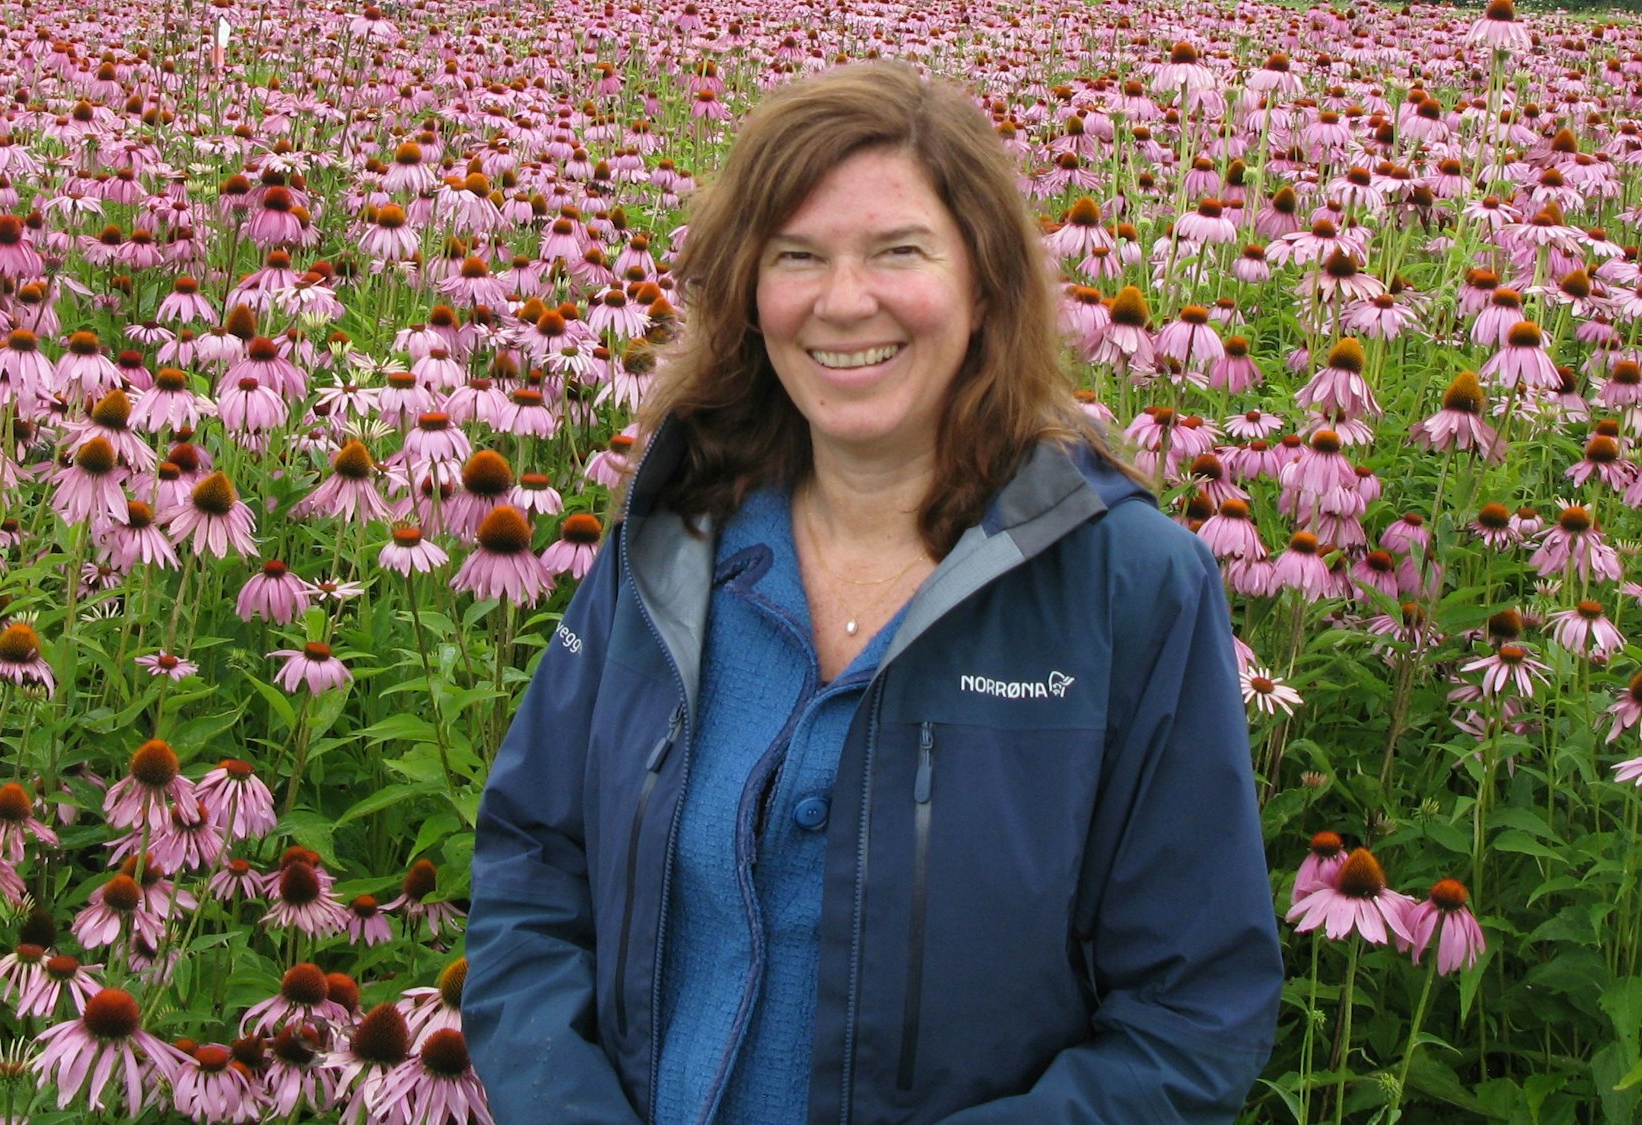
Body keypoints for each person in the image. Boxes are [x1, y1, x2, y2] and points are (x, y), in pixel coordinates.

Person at [464, 61, 1281, 1123]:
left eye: (897, 252)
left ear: (983, 285)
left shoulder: (1128, 589)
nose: (842, 302)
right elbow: (533, 866)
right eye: (794, 257)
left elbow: (1192, 1007)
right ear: (749, 295)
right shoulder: (668, 546)